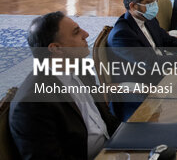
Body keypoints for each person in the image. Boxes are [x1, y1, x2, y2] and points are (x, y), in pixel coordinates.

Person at [10, 12, 120, 159]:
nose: (86, 34)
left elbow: (104, 118)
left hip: (112, 148)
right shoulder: (32, 102)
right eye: (76, 32)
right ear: (56, 48)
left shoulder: (80, 69)